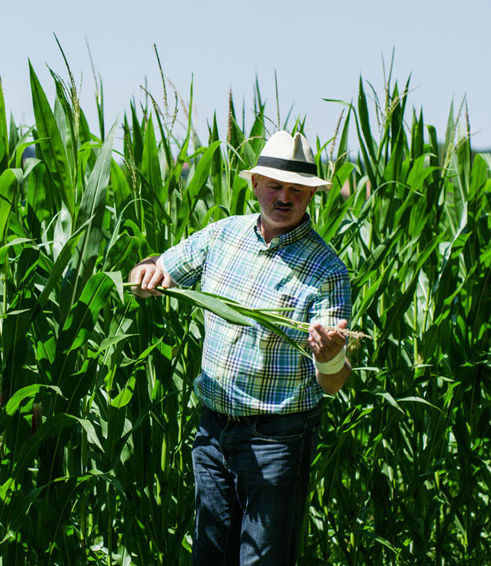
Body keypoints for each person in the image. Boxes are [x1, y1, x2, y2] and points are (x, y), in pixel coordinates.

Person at [128, 130, 352, 565]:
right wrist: (145, 273)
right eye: (275, 185)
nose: (284, 197)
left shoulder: (327, 270)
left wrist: (331, 356)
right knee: (209, 557)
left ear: (311, 195)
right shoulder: (221, 237)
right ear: (255, 185)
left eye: (296, 189)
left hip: (277, 441)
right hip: (213, 432)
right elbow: (162, 268)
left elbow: (333, 383)